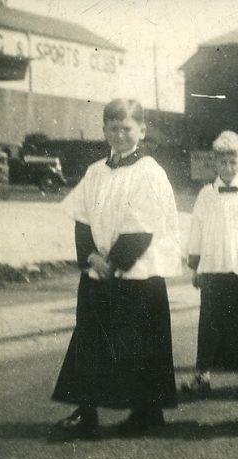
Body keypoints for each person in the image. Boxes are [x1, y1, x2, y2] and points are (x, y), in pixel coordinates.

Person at [52, 99, 183, 438]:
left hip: (137, 271)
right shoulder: (95, 172)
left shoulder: (149, 172)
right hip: (100, 270)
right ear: (104, 131)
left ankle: (147, 410)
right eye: (113, 128)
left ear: (142, 130)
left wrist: (114, 262)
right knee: (91, 339)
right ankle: (87, 409)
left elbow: (142, 225)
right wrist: (91, 257)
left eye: (127, 128)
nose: (120, 134)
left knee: (140, 344)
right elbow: (81, 218)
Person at [184, 130, 238, 396]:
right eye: (222, 162)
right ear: (214, 163)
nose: (227, 168)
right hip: (213, 267)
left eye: (233, 162)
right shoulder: (206, 194)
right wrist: (195, 265)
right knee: (209, 324)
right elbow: (197, 230)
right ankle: (202, 375)